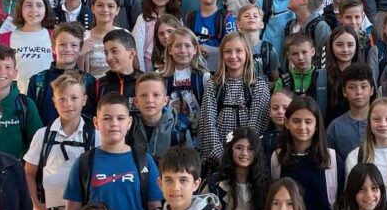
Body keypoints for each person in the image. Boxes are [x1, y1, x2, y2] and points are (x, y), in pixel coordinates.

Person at [64, 94, 163, 210]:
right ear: (96, 123)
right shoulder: (85, 162)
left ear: (129, 122)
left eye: (120, 118)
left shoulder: (144, 161)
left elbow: (155, 209)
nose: (114, 124)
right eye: (107, 118)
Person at [24, 72, 100, 210]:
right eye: (62, 99)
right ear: (54, 102)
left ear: (84, 100)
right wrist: (37, 207)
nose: (68, 104)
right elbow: (29, 173)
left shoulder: (95, 136)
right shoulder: (43, 135)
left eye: (74, 98)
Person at [270, 95, 344, 210]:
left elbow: (340, 205)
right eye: (296, 121)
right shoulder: (277, 159)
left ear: (316, 125)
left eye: (308, 121)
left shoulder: (332, 160)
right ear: (286, 122)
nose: (302, 127)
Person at [198, 32, 271, 172]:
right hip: (219, 162)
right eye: (228, 51)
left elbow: (256, 126)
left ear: (247, 54)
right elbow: (207, 124)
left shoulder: (259, 86)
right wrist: (223, 159)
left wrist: (243, 154)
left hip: (248, 159)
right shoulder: (213, 85)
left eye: (238, 51)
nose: (233, 56)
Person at [0, 44, 44, 159]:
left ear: (15, 73)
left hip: (16, 170)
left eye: (7, 67)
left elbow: (37, 143)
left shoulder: (26, 105)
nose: (2, 71)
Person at [27, 22, 98, 126]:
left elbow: (93, 116)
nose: (68, 49)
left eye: (73, 45)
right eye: (62, 45)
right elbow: (31, 120)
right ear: (53, 48)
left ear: (80, 49)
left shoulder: (89, 81)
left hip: (80, 140)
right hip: (46, 139)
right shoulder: (38, 81)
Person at [0, 0, 55, 92]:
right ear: (21, 9)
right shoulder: (6, 38)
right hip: (17, 97)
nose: (34, 10)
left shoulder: (55, 36)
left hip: (49, 96)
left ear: (46, 9)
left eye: (39, 5)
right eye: (28, 5)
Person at [128, 71, 193, 162]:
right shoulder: (128, 129)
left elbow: (189, 165)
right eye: (143, 95)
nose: (149, 100)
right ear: (135, 102)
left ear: (165, 101)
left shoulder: (179, 129)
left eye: (156, 95)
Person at [274, 33, 329, 119]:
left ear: (312, 52)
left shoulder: (324, 77)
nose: (300, 57)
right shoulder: (283, 81)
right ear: (288, 56)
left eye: (304, 52)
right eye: (295, 54)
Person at [326, 63, 374, 161]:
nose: (358, 92)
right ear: (344, 92)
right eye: (352, 87)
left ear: (372, 90)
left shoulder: (382, 122)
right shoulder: (335, 127)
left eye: (363, 86)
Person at [97, 29, 141, 114]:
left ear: (132, 53)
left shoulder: (146, 83)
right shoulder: (99, 85)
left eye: (114, 51)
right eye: (106, 53)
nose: (108, 58)